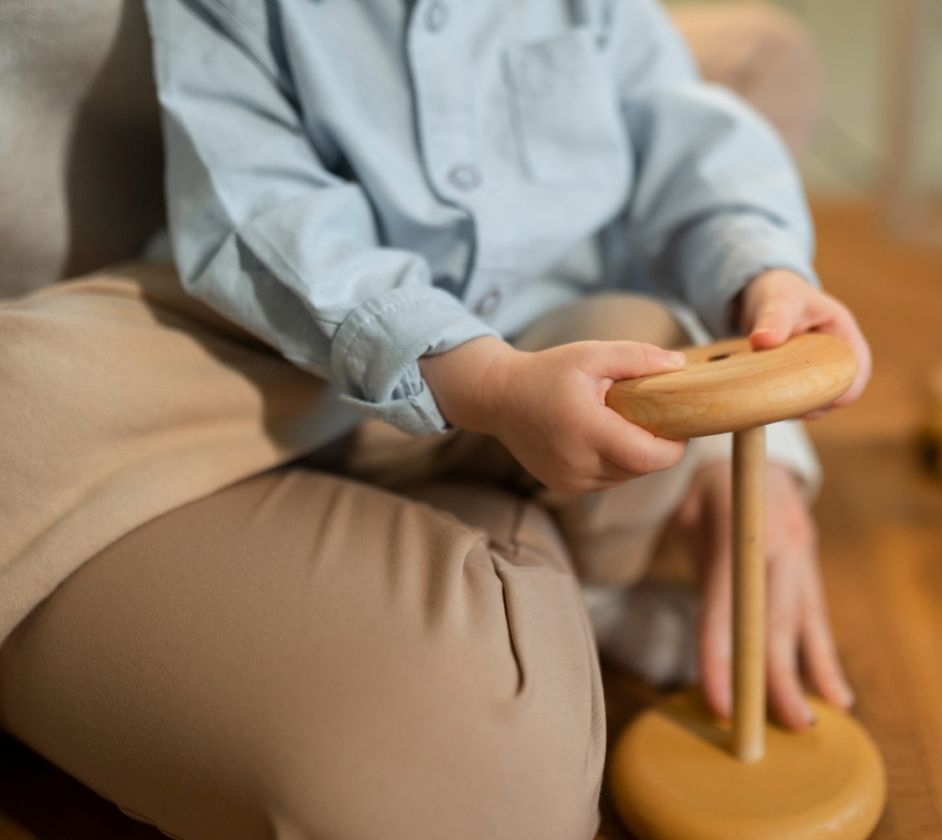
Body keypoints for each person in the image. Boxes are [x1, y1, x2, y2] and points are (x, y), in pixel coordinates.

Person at [0, 1, 870, 837]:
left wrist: (767, 274)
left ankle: (597, 599)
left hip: (559, 343)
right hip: (308, 367)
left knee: (651, 347)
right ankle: (494, 567)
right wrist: (484, 379)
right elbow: (263, 211)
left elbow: (681, 133)